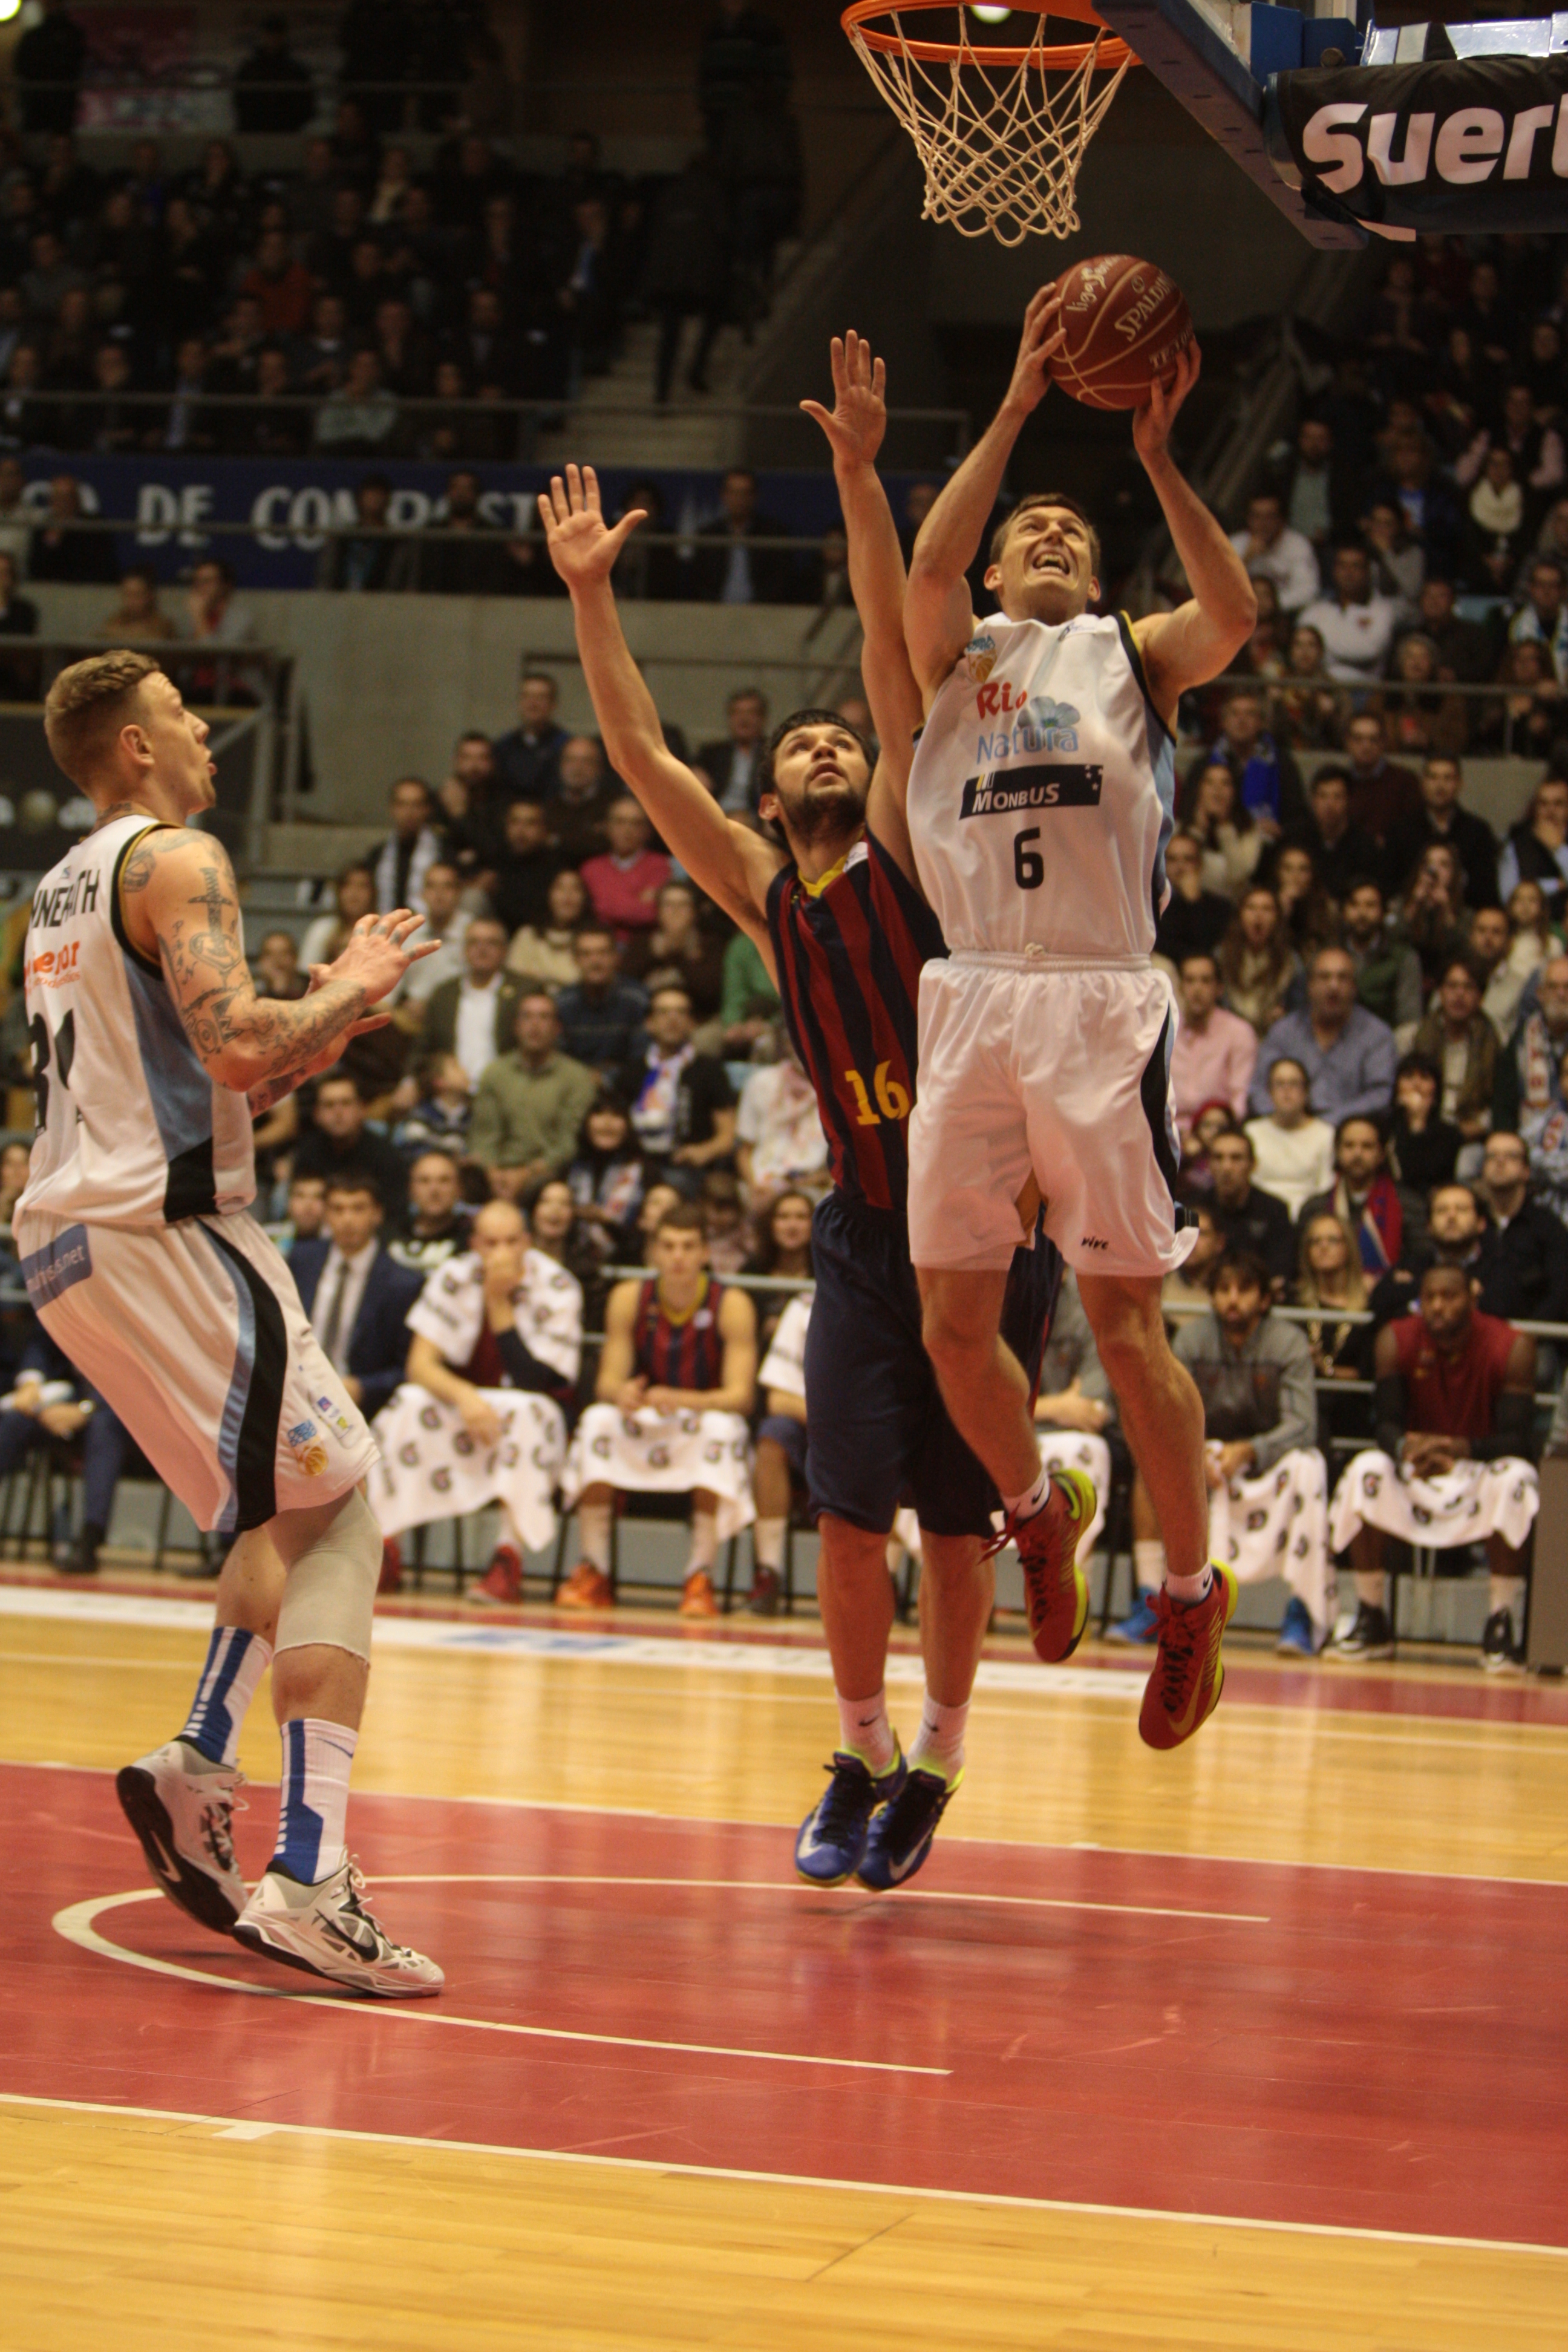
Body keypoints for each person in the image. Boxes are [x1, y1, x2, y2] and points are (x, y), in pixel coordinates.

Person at [540, 335, 1060, 1889]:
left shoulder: (909, 842)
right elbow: (640, 753)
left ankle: (939, 1763)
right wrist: (590, 595)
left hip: (983, 1224)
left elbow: (896, 656)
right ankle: (861, 1750)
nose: (829, 742)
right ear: (771, 800)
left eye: (839, 734)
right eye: (799, 745)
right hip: (860, 1233)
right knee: (846, 1515)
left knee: (956, 1530)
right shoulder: (767, 893)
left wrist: (858, 475)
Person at [15, 647, 440, 1993]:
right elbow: (237, 1044)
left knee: (288, 1506)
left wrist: (317, 1032)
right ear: (135, 747)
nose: (204, 731)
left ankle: (202, 1754)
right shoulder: (179, 856)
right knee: (348, 1512)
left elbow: (216, 1072)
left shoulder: (57, 891)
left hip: (68, 1248)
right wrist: (355, 982)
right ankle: (310, 1873)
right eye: (182, 714)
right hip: (171, 1235)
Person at [900, 287, 1261, 1756]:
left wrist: (1160, 463)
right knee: (952, 1325)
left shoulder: (1135, 653)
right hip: (972, 989)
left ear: (1101, 574)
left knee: (1122, 1323)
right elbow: (927, 561)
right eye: (1028, 530)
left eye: (1072, 530)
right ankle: (1039, 1509)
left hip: (1100, 996)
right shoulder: (954, 650)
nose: (1050, 534)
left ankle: (1186, 1594)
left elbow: (1234, 615)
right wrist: (1015, 405)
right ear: (995, 566)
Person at [1117, 1250, 1330, 1658]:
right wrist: (1194, 1452)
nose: (1233, 1299)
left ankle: (1301, 1613)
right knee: (1151, 1463)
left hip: (1268, 1458)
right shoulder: (1192, 1339)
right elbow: (1169, 1412)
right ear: (1212, 1297)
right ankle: (1151, 1603)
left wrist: (1250, 1451)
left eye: (1244, 1290)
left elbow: (1303, 1424)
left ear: (1264, 1300)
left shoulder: (1288, 1342)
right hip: (1206, 1454)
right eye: (1224, 1290)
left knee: (1310, 1466)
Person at [1328, 1263, 1538, 1668]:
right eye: (1430, 1298)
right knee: (1366, 1469)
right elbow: (1386, 1425)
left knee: (1517, 1478)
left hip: (1479, 1464)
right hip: (1418, 1466)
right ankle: (1372, 1616)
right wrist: (1407, 1447)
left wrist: (1460, 1449)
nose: (1438, 1306)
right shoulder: (1396, 1338)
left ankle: (1501, 1621)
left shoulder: (1511, 1345)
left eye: (1449, 1296)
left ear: (1472, 1299)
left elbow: (1518, 1439)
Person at [375, 1198, 582, 1606]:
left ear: (527, 1241)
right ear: (474, 1244)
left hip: (531, 1408)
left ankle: (508, 1558)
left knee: (527, 1414)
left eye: (511, 1242)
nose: (501, 1252)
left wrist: (497, 1302)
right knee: (408, 1402)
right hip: (465, 1404)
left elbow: (535, 1383)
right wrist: (465, 1396)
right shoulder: (453, 1274)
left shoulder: (558, 1284)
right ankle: (384, 1545)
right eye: (490, 1243)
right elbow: (419, 1364)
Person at [561, 1201, 757, 1618]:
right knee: (597, 1420)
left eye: (688, 1246)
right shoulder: (629, 1297)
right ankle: (594, 1568)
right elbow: (606, 1383)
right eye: (668, 1246)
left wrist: (684, 1399)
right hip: (652, 1413)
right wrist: (624, 1393)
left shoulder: (732, 1303)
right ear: (653, 1252)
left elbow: (742, 1396)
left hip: (701, 1414)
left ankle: (700, 1575)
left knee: (721, 1431)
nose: (678, 1256)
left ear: (705, 1252)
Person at [288, 1174, 423, 1422]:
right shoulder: (301, 1261)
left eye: (358, 1209)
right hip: (295, 1397)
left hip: (363, 1412)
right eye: (338, 1209)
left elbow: (408, 1368)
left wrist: (363, 1387)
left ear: (377, 1214)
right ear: (326, 1214)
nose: (348, 1219)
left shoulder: (403, 1284)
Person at [0, 1315, 128, 1575]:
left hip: (116, 1406)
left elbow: (134, 1372)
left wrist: (86, 1409)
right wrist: (31, 1384)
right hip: (62, 1395)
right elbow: (42, 1342)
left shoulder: (128, 1306)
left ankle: (90, 1541)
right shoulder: (63, 1294)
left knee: (105, 1427)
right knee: (15, 1420)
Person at [468, 991, 599, 1196]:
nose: (535, 1025)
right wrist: (492, 1172)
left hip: (551, 1175)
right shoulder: (495, 1073)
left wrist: (527, 1174)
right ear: (516, 1027)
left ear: (557, 1028)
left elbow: (569, 1142)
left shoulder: (577, 1078)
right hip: (496, 1174)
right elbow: (485, 1135)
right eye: (527, 1017)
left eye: (544, 1017)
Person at [1249, 946, 1398, 1123]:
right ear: (1310, 986)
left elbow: (1381, 1095)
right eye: (1324, 977)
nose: (1334, 986)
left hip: (1348, 1130)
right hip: (1288, 1128)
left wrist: (1325, 1125)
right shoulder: (1284, 1032)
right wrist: (1286, 1120)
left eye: (1343, 978)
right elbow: (1258, 1090)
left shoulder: (1376, 1034)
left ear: (1354, 987)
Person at [615, 984, 736, 1177]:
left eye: (681, 1012)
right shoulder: (631, 1071)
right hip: (637, 1164)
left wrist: (704, 1151)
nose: (673, 1019)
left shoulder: (709, 1070)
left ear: (692, 1023)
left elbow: (727, 1136)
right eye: (663, 1012)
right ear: (649, 1023)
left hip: (689, 1169)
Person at [749, 1280, 813, 1616]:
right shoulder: (804, 1307)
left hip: (872, 1429)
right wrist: (836, 1419)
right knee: (772, 1436)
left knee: (892, 1439)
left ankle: (887, 1577)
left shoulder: (896, 1298)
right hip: (816, 1425)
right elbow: (777, 1399)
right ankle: (769, 1571)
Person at [1300, 1114, 1421, 1282]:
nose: (1357, 1154)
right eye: (1349, 1146)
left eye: (1367, 1146)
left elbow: (1420, 1259)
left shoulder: (1408, 1205)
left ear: (1381, 1154)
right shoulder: (1315, 1208)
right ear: (1337, 1152)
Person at [1294, 1210, 1376, 1452]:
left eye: (1332, 1240)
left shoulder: (1370, 1306)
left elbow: (1367, 1371)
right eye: (1315, 1242)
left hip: (1354, 1407)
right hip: (1308, 1405)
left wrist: (1325, 1368)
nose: (1323, 1247)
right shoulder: (1294, 1302)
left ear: (1348, 1247)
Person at [1381, 753, 1500, 913]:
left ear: (1459, 784)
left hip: (1464, 918)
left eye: (1447, 778)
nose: (1440, 786)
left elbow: (1486, 892)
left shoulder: (1478, 833)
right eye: (1433, 778)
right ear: (1423, 783)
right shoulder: (1401, 831)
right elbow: (1389, 886)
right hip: (1410, 915)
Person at [1473, 1128, 1568, 1325]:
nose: (1500, 1162)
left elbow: (1561, 1290)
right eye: (1492, 1156)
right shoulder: (1471, 1222)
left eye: (1511, 1156)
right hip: (1477, 1333)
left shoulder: (1547, 1226)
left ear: (1526, 1171)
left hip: (1536, 1331)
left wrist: (1530, 1333)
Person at [421, 916, 526, 1088]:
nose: (482, 949)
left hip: (510, 1090)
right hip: (453, 1090)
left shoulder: (524, 992)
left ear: (505, 950)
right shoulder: (444, 994)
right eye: (474, 943)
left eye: (491, 943)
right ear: (464, 950)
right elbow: (424, 1047)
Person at [291, 1069, 410, 1219]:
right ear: (317, 1114)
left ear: (362, 1109)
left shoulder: (386, 1157)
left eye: (346, 1103)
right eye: (329, 1105)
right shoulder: (307, 1153)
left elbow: (395, 1217)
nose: (338, 1112)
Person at [1410, 954, 1496, 1142]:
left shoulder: (1492, 1042)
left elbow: (1497, 1104)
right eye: (1452, 986)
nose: (1459, 994)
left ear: (1480, 996)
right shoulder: (1418, 1036)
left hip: (1470, 1135)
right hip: (1425, 1127)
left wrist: (1470, 1129)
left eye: (1469, 987)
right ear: (1440, 992)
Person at [1204, 1125, 1296, 1293]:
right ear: (1209, 1164)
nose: (1226, 1167)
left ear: (1253, 1164)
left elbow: (1280, 1271)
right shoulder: (1194, 1209)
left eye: (1236, 1158)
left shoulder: (1275, 1210)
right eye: (1218, 1158)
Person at [735, 1038, 828, 1199]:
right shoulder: (761, 1081)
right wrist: (754, 1186)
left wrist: (805, 1184)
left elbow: (841, 1164)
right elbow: (744, 1149)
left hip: (813, 1186)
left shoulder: (836, 1089)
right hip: (762, 1183)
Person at [1244, 1056, 1335, 1220]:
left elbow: (1325, 1188)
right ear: (1269, 1092)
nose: (1287, 1091)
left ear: (1306, 1091)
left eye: (1294, 1084)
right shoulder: (1252, 1132)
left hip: (1308, 1217)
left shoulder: (1326, 1134)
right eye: (1279, 1084)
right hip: (1260, 1217)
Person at [1299, 543, 1401, 686]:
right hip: (1320, 687)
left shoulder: (1382, 611)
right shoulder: (1315, 610)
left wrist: (1320, 644)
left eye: (1355, 566)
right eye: (1343, 566)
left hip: (1365, 690)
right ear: (1334, 571)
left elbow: (1368, 650)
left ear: (1367, 572)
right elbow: (1300, 650)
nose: (1348, 572)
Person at [554, 924, 649, 1074]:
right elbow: (558, 1059)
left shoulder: (637, 1000)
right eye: (586, 954)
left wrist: (606, 1078)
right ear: (575, 959)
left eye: (603, 953)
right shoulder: (563, 1003)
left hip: (627, 1083)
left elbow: (642, 1058)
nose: (595, 961)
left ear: (616, 957)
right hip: (575, 1083)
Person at [565, 1094, 647, 1270]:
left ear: (627, 1125)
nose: (607, 1123)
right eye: (600, 1114)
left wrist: (606, 1221)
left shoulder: (644, 1171)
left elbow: (643, 1234)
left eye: (616, 1115)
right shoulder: (570, 1169)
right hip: (572, 1261)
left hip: (628, 1263)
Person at [579, 796, 672, 940]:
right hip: (599, 944)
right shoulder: (591, 869)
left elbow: (652, 914)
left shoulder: (660, 866)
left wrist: (608, 903)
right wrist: (637, 902)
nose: (628, 830)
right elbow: (589, 913)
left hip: (643, 943)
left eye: (636, 823)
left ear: (647, 831)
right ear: (607, 827)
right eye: (620, 822)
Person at [1494, 949, 1568, 1129]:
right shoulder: (1521, 1039)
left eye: (1567, 987)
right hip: (1530, 1137)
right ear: (1540, 993)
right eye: (1553, 987)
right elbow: (1504, 1104)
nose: (1561, 994)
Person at [1338, 874, 1422, 1032]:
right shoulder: (1328, 955)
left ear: (1382, 911)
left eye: (1370, 906)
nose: (1362, 913)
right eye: (1354, 905)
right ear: (1344, 911)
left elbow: (1409, 1021)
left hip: (1385, 1040)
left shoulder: (1403, 958)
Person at [1285, 768, 1380, 904]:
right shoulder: (1295, 838)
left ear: (1348, 801)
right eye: (1323, 796)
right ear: (1313, 800)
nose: (1329, 804)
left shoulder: (1364, 845)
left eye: (1337, 797)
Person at [1218, 883, 1301, 1039]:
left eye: (1266, 909)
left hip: (1274, 1038)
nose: (1258, 915)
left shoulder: (1291, 962)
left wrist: (1285, 1017)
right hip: (1229, 1038)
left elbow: (1299, 1011)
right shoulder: (1221, 957)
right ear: (1240, 915)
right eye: (1251, 908)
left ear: (1277, 917)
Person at [1229, 489, 1319, 617]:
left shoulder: (1298, 545)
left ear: (1281, 519)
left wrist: (1269, 605)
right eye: (1257, 517)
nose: (1263, 524)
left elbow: (1307, 591)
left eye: (1269, 517)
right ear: (1248, 519)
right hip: (1242, 613)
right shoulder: (1235, 544)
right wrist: (1245, 559)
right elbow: (1221, 590)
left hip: (1285, 614)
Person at [385, 1148, 472, 1276]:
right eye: (424, 1181)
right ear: (411, 1189)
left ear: (459, 1188)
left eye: (444, 1181)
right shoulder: (389, 1235)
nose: (434, 1190)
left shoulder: (472, 1238)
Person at [1152, 829, 1232, 966]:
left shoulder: (1220, 906)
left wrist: (1193, 902)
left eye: (1188, 859)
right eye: (1172, 859)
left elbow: (1205, 948)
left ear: (1200, 864)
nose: (1180, 867)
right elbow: (1163, 946)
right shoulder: (1151, 904)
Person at [1386, 1051, 1461, 1194]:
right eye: (1408, 1077)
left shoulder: (1450, 1135)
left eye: (1425, 1077)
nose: (1416, 1084)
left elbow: (1424, 1177)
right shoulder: (1383, 1129)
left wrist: (1417, 1122)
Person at [1498, 773, 1568, 921]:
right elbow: (1509, 895)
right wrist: (1557, 885)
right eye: (1544, 804)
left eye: (1558, 804)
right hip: (1529, 925)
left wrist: (1559, 850)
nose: (1550, 811)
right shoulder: (1516, 844)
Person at [397, 860, 468, 1005]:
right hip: (410, 1012)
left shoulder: (472, 933)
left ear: (459, 893)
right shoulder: (408, 933)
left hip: (459, 1009)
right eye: (432, 887)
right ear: (423, 893)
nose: (439, 894)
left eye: (447, 887)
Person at [492, 670, 568, 803]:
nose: (533, 704)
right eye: (527, 696)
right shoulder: (503, 747)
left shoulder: (566, 746)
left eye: (541, 697)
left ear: (553, 704)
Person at [697, 686, 771, 817]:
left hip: (756, 817)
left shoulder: (772, 753)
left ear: (762, 718)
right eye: (737, 712)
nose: (744, 719)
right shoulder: (712, 753)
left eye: (751, 713)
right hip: (714, 814)